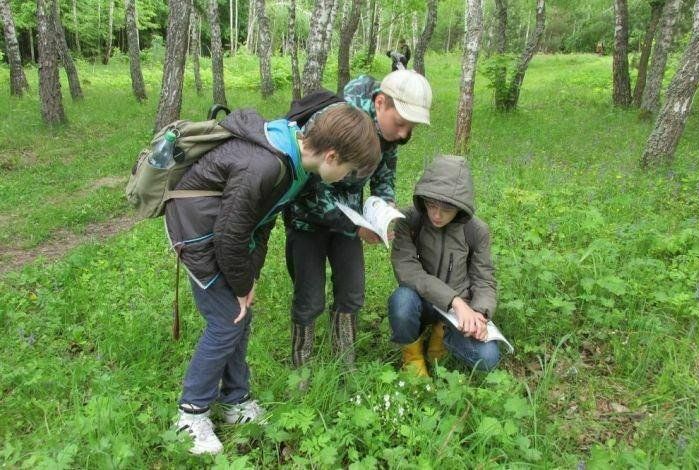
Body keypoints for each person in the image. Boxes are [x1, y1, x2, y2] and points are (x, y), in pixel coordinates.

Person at [165, 105, 381, 455]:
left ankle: (235, 400)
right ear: (331, 155)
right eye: (349, 170)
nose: (346, 178)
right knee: (225, 323)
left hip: (223, 235)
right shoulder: (266, 165)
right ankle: (191, 414)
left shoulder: (296, 166)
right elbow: (229, 234)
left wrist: (248, 279)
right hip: (197, 231)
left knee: (240, 317)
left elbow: (262, 222)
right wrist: (238, 285)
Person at [284, 69, 432, 372]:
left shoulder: (389, 135)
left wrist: (384, 207)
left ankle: (345, 363)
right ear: (380, 103)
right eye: (401, 123)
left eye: (411, 128)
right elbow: (308, 189)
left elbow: (384, 174)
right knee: (309, 296)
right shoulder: (334, 122)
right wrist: (357, 226)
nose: (404, 134)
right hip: (307, 223)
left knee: (352, 291)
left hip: (350, 221)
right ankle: (301, 368)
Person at [388, 155, 500, 377]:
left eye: (446, 210)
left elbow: (484, 279)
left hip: (461, 311)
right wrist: (453, 301)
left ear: (460, 208)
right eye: (431, 206)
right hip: (423, 300)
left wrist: (478, 314)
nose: (436, 215)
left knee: (488, 359)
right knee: (401, 301)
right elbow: (409, 271)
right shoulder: (408, 220)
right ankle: (413, 357)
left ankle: (442, 334)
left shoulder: (476, 231)